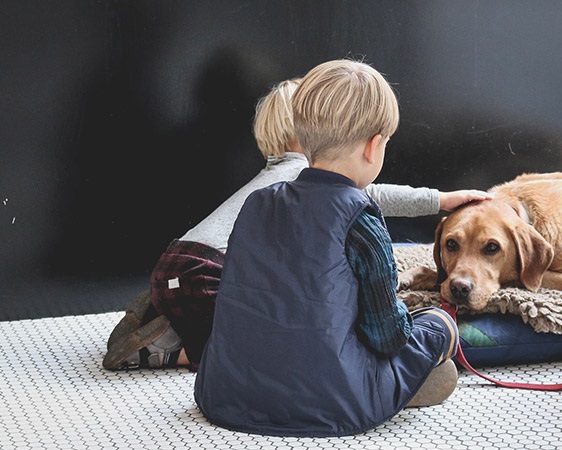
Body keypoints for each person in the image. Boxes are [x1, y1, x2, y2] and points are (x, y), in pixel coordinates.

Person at [103, 74, 489, 372]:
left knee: (229, 315)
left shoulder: (273, 179)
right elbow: (374, 195)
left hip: (179, 262)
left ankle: (162, 315)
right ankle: (165, 352)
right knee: (245, 344)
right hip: (208, 271)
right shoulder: (304, 177)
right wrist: (439, 199)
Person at [193, 58, 465, 437]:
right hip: (331, 400)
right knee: (438, 325)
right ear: (374, 147)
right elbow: (387, 336)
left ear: (302, 140)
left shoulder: (257, 203)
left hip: (227, 392)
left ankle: (387, 383)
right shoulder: (361, 219)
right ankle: (400, 383)